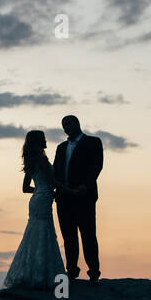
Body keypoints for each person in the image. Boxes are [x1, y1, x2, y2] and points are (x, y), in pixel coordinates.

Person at [3, 130, 69, 290]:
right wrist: (70, 191)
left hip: (36, 200)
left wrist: (40, 190)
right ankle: (42, 275)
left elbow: (26, 188)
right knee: (43, 234)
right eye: (44, 139)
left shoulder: (30, 161)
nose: (46, 141)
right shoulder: (41, 159)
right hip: (43, 200)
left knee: (34, 234)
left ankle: (29, 273)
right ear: (39, 142)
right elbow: (52, 181)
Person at [52, 115, 103, 285]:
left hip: (84, 197)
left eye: (68, 123)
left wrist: (85, 186)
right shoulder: (61, 147)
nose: (66, 127)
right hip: (63, 197)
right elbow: (56, 170)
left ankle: (94, 272)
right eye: (63, 125)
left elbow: (96, 166)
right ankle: (71, 271)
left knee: (88, 235)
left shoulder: (93, 142)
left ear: (77, 123)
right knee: (69, 237)